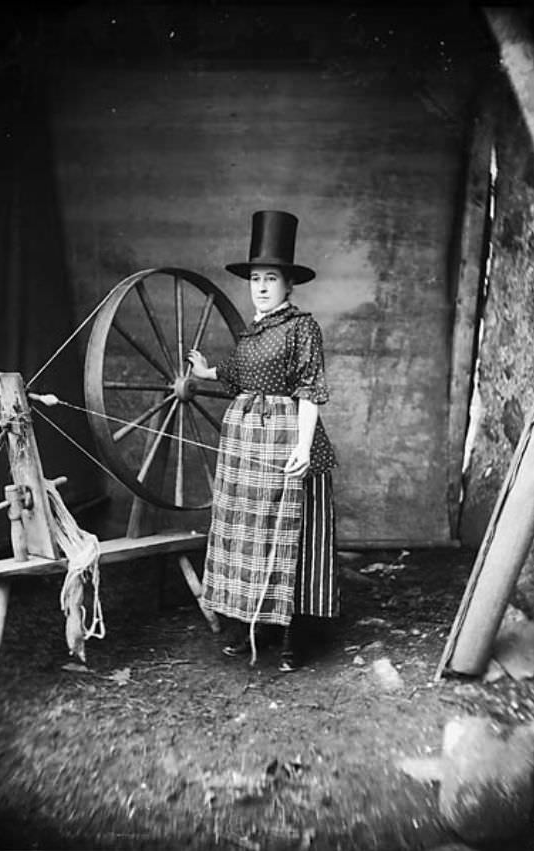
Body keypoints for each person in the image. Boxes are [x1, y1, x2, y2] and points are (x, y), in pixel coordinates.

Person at [187, 210, 338, 672]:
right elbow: (237, 375)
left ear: (289, 284)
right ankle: (249, 624)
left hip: (287, 438)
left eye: (271, 278)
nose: (262, 286)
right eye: (256, 278)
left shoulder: (302, 327)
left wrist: (301, 445)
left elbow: (310, 390)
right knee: (245, 535)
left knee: (287, 534)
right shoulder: (252, 332)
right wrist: (205, 373)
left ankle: (290, 636)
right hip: (245, 445)